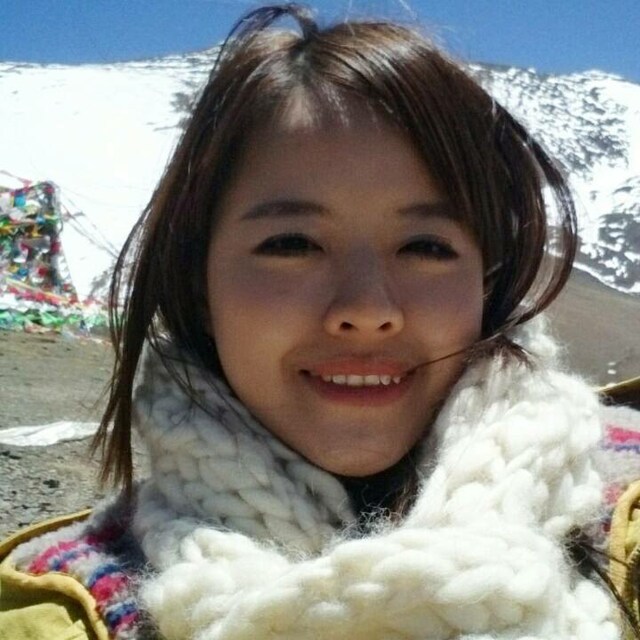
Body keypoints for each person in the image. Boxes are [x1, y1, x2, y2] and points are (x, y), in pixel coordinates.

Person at [1, 4, 639, 639]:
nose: (367, 311)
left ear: (487, 282)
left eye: (425, 247)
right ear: (197, 285)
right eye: (292, 245)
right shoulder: (54, 612)